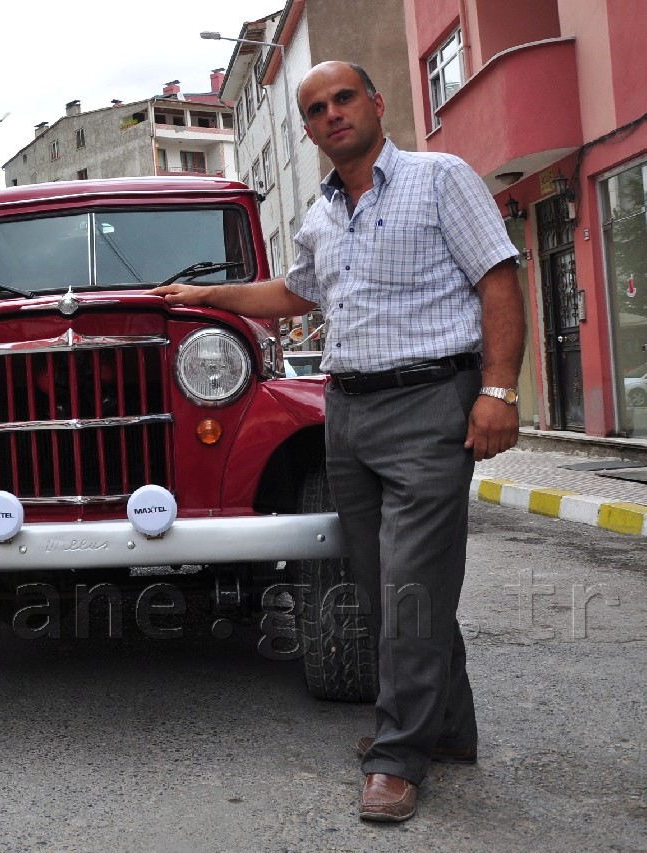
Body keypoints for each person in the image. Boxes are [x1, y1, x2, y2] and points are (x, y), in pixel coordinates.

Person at [149, 61, 524, 822]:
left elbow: (498, 277)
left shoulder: (440, 177)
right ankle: (447, 726)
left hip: (430, 405)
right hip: (346, 414)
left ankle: (398, 753)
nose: (332, 115)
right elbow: (295, 293)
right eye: (315, 108)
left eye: (343, 98)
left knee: (411, 583)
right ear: (310, 127)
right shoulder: (320, 215)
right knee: (387, 583)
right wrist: (204, 295)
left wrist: (499, 389)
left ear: (377, 103)